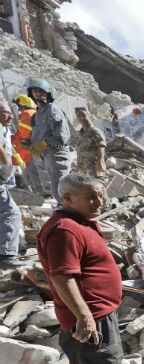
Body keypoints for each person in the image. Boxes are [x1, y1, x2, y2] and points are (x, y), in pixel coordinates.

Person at [36, 173, 144, 364]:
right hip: (90, 316)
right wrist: (84, 316)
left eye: (100, 195)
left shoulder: (76, 222)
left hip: (91, 313)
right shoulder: (65, 229)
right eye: (90, 197)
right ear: (67, 198)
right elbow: (63, 277)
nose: (98, 201)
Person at [27, 77, 72, 202]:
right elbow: (37, 134)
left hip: (56, 154)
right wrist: (29, 143)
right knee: (52, 190)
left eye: (41, 91)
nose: (37, 94)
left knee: (60, 188)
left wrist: (44, 143)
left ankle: (68, 217)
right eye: (34, 91)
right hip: (44, 156)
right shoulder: (36, 114)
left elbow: (62, 136)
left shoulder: (53, 109)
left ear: (48, 93)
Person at [0, 101, 23, 268]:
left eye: (10, 112)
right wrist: (7, 165)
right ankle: (6, 256)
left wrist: (15, 157)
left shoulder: (5, 128)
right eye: (6, 112)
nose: (10, 116)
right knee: (10, 212)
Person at [74, 107, 106, 178]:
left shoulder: (95, 131)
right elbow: (80, 150)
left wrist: (100, 161)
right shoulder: (81, 132)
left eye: (84, 115)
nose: (81, 118)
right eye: (78, 117)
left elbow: (101, 146)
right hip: (83, 168)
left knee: (95, 187)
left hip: (93, 167)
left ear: (89, 116)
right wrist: (78, 165)